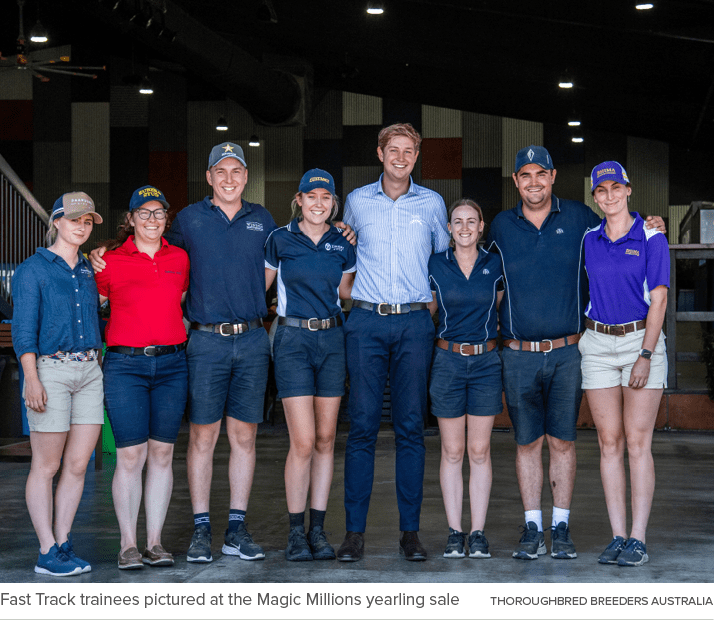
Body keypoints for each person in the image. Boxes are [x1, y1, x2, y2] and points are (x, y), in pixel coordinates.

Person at [487, 145, 665, 561]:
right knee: (528, 443)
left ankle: (561, 528)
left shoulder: (583, 221)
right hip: (518, 352)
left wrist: (653, 223)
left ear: (552, 177)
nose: (534, 182)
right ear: (516, 181)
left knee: (565, 442)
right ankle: (533, 527)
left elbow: (626, 229)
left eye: (541, 174)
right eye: (525, 175)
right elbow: (477, 270)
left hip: (570, 350)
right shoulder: (498, 226)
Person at [338, 122, 450, 562]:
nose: (401, 157)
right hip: (365, 322)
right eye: (393, 150)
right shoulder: (357, 202)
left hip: (414, 326)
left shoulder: (433, 203)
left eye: (409, 150)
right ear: (380, 154)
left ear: (416, 156)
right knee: (362, 427)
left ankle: (410, 533)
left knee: (410, 429)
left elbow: (445, 262)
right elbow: (341, 252)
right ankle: (354, 534)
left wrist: (428, 314)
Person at [95, 185, 189, 570]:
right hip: (125, 366)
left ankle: (155, 542)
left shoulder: (179, 258)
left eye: (159, 212)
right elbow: (95, 303)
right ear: (130, 219)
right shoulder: (109, 262)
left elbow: (180, 300)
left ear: (167, 217)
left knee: (163, 454)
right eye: (144, 212)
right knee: (131, 456)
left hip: (172, 365)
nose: (153, 219)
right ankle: (128, 544)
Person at [264, 169, 356, 561]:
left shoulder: (343, 244)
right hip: (293, 341)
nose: (318, 204)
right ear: (299, 200)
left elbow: (349, 293)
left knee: (325, 440)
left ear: (333, 203)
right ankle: (295, 532)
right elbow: (259, 286)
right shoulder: (279, 239)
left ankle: (318, 530)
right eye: (311, 196)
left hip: (333, 338)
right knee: (302, 441)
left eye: (326, 198)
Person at [11, 192, 104, 576]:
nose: (81, 227)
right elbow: (23, 330)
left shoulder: (87, 270)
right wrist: (31, 379)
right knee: (47, 465)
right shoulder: (32, 270)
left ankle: (63, 542)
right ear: (56, 222)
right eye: (73, 220)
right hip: (51, 371)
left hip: (89, 371)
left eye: (87, 222)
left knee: (79, 464)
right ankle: (46, 549)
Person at [581, 162, 669, 566]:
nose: (610, 195)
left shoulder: (651, 235)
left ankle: (638, 538)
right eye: (602, 190)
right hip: (597, 343)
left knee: (637, 443)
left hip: (639, 341)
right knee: (609, 443)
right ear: (595, 197)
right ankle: (617, 535)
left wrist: (646, 355)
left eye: (617, 188)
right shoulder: (589, 238)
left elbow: (661, 299)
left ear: (629, 190)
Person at [427, 199, 503, 559]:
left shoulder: (495, 263)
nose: (465, 227)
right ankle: (455, 531)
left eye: (472, 221)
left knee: (479, 450)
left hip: (487, 362)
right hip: (448, 361)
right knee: (453, 450)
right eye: (458, 221)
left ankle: (478, 533)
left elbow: (501, 304)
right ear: (449, 228)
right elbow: (429, 309)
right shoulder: (435, 265)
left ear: (481, 226)